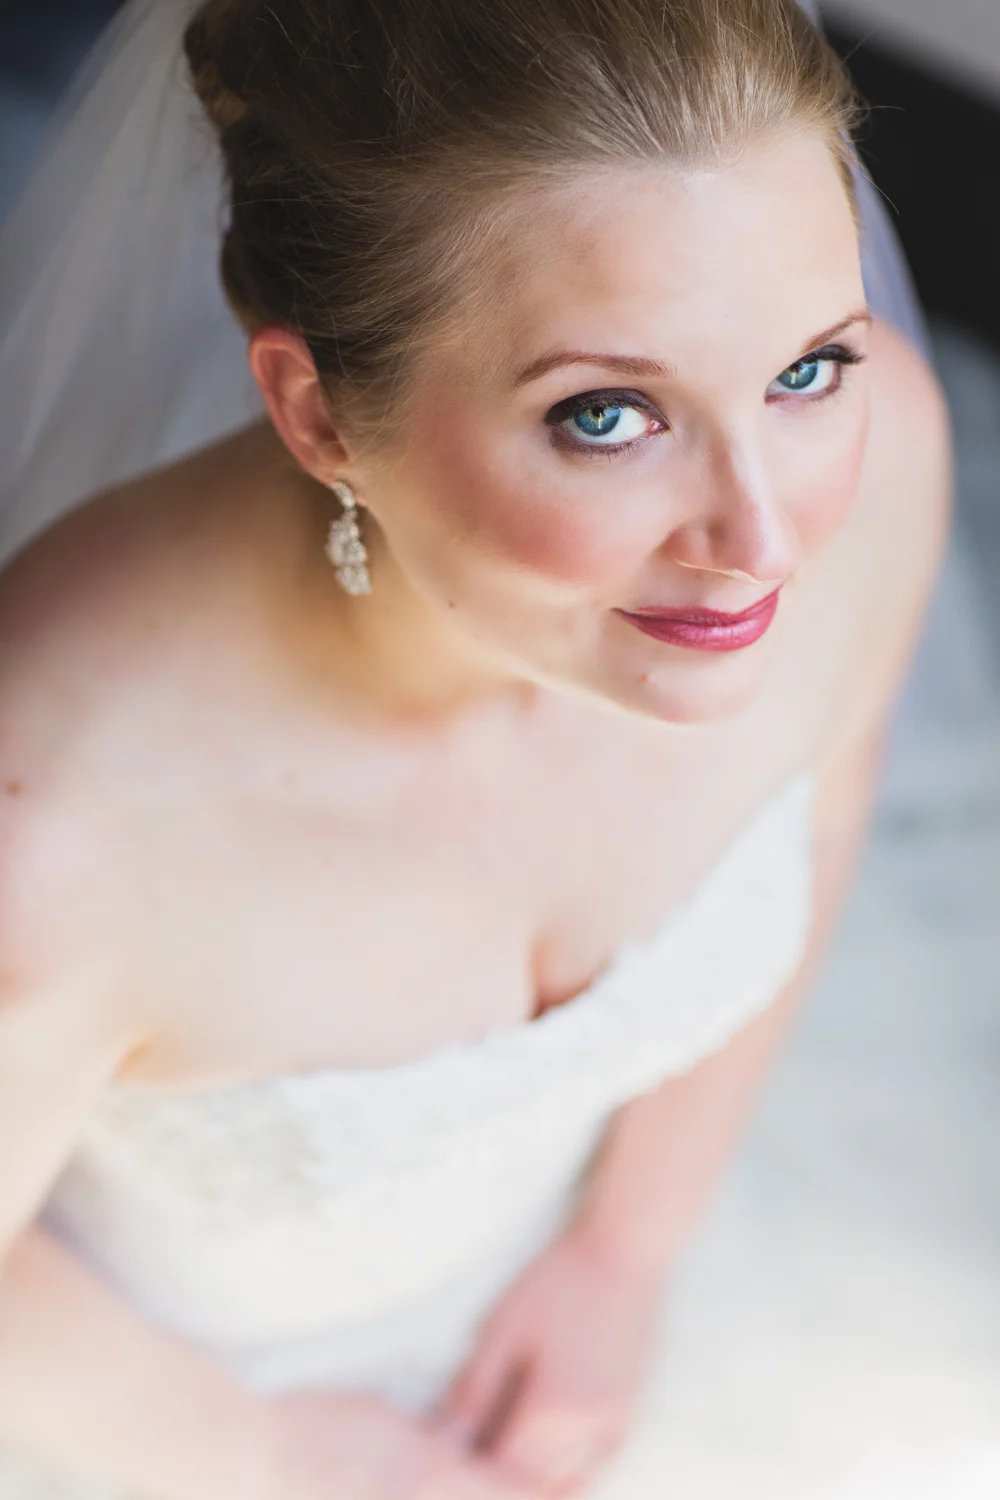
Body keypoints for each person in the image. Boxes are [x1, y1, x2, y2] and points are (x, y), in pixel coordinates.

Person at [0, 0, 948, 1497]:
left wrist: (624, 1253)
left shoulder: (882, 466)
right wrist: (265, 1453)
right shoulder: (56, 826)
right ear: (318, 412)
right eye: (609, 415)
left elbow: (825, 811)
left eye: (805, 371)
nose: (766, 543)